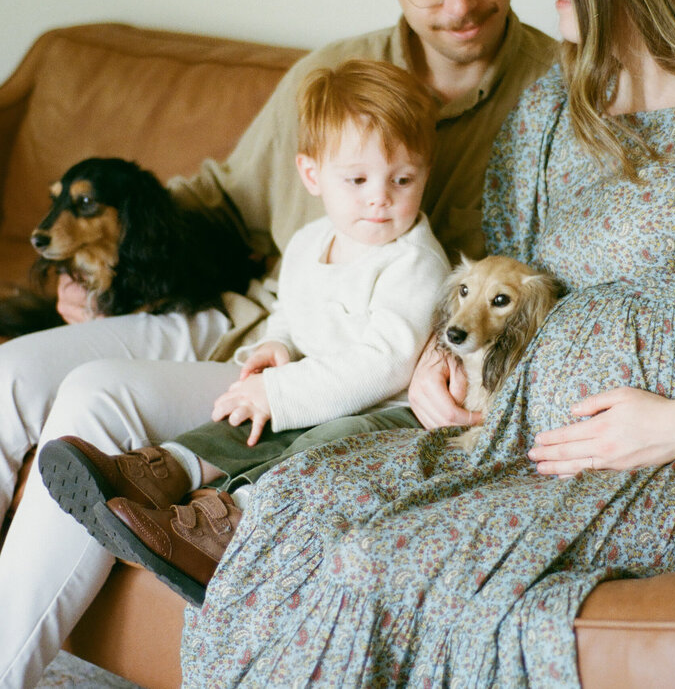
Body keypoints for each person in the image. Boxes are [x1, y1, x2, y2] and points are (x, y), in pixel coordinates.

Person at [179, 0, 675, 689]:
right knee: (294, 501)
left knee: (380, 560)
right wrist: (449, 363)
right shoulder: (554, 102)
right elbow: (493, 281)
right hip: (517, 433)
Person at [0, 0, 555, 687]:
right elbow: (221, 200)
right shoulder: (335, 75)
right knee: (8, 379)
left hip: (347, 379)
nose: (460, 1)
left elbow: (534, 289)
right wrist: (104, 269)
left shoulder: (556, 98)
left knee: (95, 396)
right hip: (250, 324)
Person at [41, 58, 450, 603]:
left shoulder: (414, 262)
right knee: (240, 415)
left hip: (386, 409)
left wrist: (280, 393)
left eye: (403, 179)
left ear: (424, 172)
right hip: (312, 384)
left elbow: (384, 361)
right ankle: (162, 471)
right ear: (312, 175)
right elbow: (290, 306)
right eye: (356, 180)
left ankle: (226, 523)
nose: (381, 197)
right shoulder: (309, 240)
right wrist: (275, 345)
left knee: (319, 446)